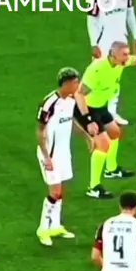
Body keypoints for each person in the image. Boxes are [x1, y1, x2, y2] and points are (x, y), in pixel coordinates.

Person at [77, 43, 136, 199]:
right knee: (103, 145)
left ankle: (111, 169)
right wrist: (88, 120)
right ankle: (93, 187)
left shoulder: (120, 62)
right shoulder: (97, 70)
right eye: (124, 55)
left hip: (100, 106)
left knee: (115, 133)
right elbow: (79, 94)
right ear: (113, 55)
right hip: (86, 109)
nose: (127, 58)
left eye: (127, 54)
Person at [36, 68, 112, 244]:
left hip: (63, 153)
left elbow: (71, 121)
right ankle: (43, 229)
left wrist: (86, 137)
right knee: (54, 192)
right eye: (76, 82)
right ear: (66, 83)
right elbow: (39, 131)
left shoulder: (70, 101)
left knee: (61, 191)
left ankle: (55, 226)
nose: (78, 85)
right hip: (50, 154)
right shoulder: (49, 103)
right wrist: (46, 157)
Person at [86, 0, 136, 126]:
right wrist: (93, 43)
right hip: (104, 42)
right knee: (97, 77)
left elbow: (130, 15)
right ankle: (90, 112)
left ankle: (112, 112)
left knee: (115, 77)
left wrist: (135, 37)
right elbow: (91, 19)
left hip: (121, 40)